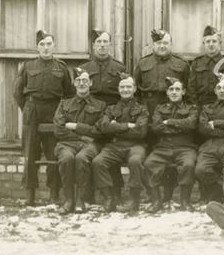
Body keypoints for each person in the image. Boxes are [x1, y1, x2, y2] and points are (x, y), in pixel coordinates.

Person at [14, 30, 74, 206]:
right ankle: (30, 195)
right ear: (37, 47)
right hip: (32, 111)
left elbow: (69, 94)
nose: (46, 48)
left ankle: (54, 193)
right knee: (30, 153)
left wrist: (61, 113)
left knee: (53, 152)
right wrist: (26, 108)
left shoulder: (61, 67)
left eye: (49, 44)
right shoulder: (28, 66)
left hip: (54, 110)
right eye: (42, 44)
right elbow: (17, 92)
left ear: (54, 46)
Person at [93, 73, 149, 214]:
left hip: (135, 145)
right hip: (114, 146)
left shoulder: (142, 108)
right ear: (118, 89)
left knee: (135, 161)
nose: (125, 90)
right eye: (122, 87)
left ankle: (134, 199)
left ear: (135, 89)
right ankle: (109, 197)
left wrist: (115, 126)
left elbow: (140, 131)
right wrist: (127, 126)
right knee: (98, 162)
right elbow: (104, 127)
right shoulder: (111, 109)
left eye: (128, 87)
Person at [53, 68, 107, 214]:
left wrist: (77, 127)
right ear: (74, 84)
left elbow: (100, 130)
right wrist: (82, 136)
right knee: (66, 158)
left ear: (90, 83)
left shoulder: (100, 105)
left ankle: (80, 200)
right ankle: (69, 200)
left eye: (85, 80)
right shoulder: (64, 104)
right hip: (66, 144)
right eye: (78, 81)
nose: (81, 83)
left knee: (82, 158)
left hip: (90, 145)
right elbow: (59, 130)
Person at [143, 77, 198, 212]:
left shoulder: (191, 108)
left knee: (189, 165)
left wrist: (169, 122)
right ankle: (156, 201)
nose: (174, 92)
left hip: (185, 147)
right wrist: (180, 126)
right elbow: (156, 127)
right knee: (149, 163)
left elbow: (191, 124)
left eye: (177, 89)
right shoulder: (159, 108)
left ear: (183, 92)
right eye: (171, 89)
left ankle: (185, 201)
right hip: (163, 147)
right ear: (167, 92)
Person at [135, 29, 190, 116]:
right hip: (149, 107)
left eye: (165, 43)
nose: (162, 46)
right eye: (159, 43)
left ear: (171, 45)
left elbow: (187, 90)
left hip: (173, 108)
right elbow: (136, 90)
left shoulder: (181, 64)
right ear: (153, 45)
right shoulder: (142, 63)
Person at [188, 25, 224, 107]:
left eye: (214, 41)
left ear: (220, 43)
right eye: (208, 41)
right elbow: (191, 89)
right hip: (202, 106)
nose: (211, 44)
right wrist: (197, 108)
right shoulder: (196, 63)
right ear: (203, 44)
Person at [81, 29, 125, 106]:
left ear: (110, 45)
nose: (102, 45)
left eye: (105, 41)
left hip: (112, 108)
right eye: (99, 41)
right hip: (90, 109)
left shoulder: (120, 68)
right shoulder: (84, 69)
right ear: (94, 45)